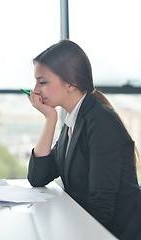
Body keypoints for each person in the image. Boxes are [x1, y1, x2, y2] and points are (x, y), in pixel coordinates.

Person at [27, 39, 141, 240]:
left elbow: (102, 207)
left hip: (116, 233)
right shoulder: (74, 120)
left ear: (71, 83)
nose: (35, 90)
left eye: (42, 82)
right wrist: (50, 118)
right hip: (90, 228)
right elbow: (38, 177)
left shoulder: (101, 122)